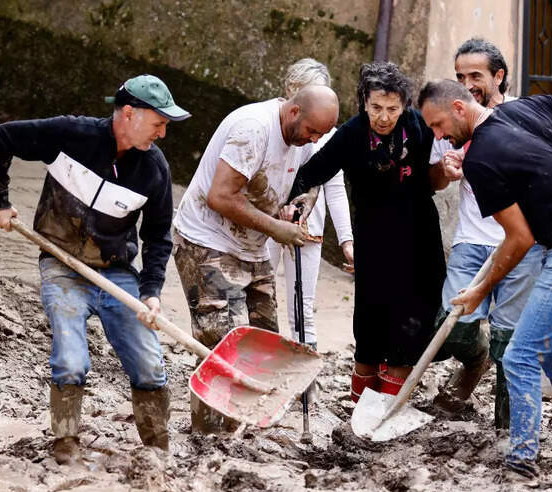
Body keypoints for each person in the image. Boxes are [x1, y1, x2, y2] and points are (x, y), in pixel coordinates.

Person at [418, 80, 552, 483]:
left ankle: (522, 457)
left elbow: (519, 239)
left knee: (520, 355)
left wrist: (480, 289)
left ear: (460, 107)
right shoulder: (531, 108)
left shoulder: (483, 161)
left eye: (439, 125)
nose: (439, 136)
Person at [0, 75, 190, 463]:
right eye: (159, 123)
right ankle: (65, 445)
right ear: (128, 114)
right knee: (71, 359)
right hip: (60, 264)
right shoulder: (70, 135)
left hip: (116, 272)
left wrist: (151, 291)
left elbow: (159, 237)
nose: (163, 134)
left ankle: (157, 450)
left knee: (149, 364)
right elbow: (2, 137)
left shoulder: (154, 170)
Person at [172, 84, 339, 432]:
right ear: (294, 112)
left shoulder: (304, 138)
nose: (312, 141)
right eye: (310, 132)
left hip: (252, 246)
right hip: (207, 241)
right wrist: (276, 229)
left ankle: (248, 423)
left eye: (319, 136)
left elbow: (314, 177)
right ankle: (210, 434)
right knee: (222, 341)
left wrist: (301, 204)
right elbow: (221, 195)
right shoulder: (253, 128)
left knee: (265, 339)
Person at [284, 62, 447, 406]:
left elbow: (446, 155)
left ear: (404, 106)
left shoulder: (418, 127)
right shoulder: (352, 134)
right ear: (363, 103)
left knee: (411, 322)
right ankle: (360, 407)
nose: (384, 117)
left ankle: (386, 407)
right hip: (373, 241)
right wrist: (301, 200)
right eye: (376, 108)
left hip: (419, 240)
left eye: (392, 108)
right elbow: (311, 172)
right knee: (371, 323)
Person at [428, 38, 545, 428]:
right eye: (460, 75)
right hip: (471, 242)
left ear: (499, 76)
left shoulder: (523, 116)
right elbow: (434, 182)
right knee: (454, 327)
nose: (467, 82)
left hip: (522, 245)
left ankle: (507, 428)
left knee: (509, 341)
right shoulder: (453, 115)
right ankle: (474, 362)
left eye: (475, 75)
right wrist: (444, 170)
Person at [264, 58, 355, 349]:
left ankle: (305, 379)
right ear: (292, 90)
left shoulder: (329, 134)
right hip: (267, 222)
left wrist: (347, 241)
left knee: (302, 305)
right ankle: (262, 360)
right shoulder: (269, 122)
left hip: (307, 229)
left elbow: (336, 189)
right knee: (260, 294)